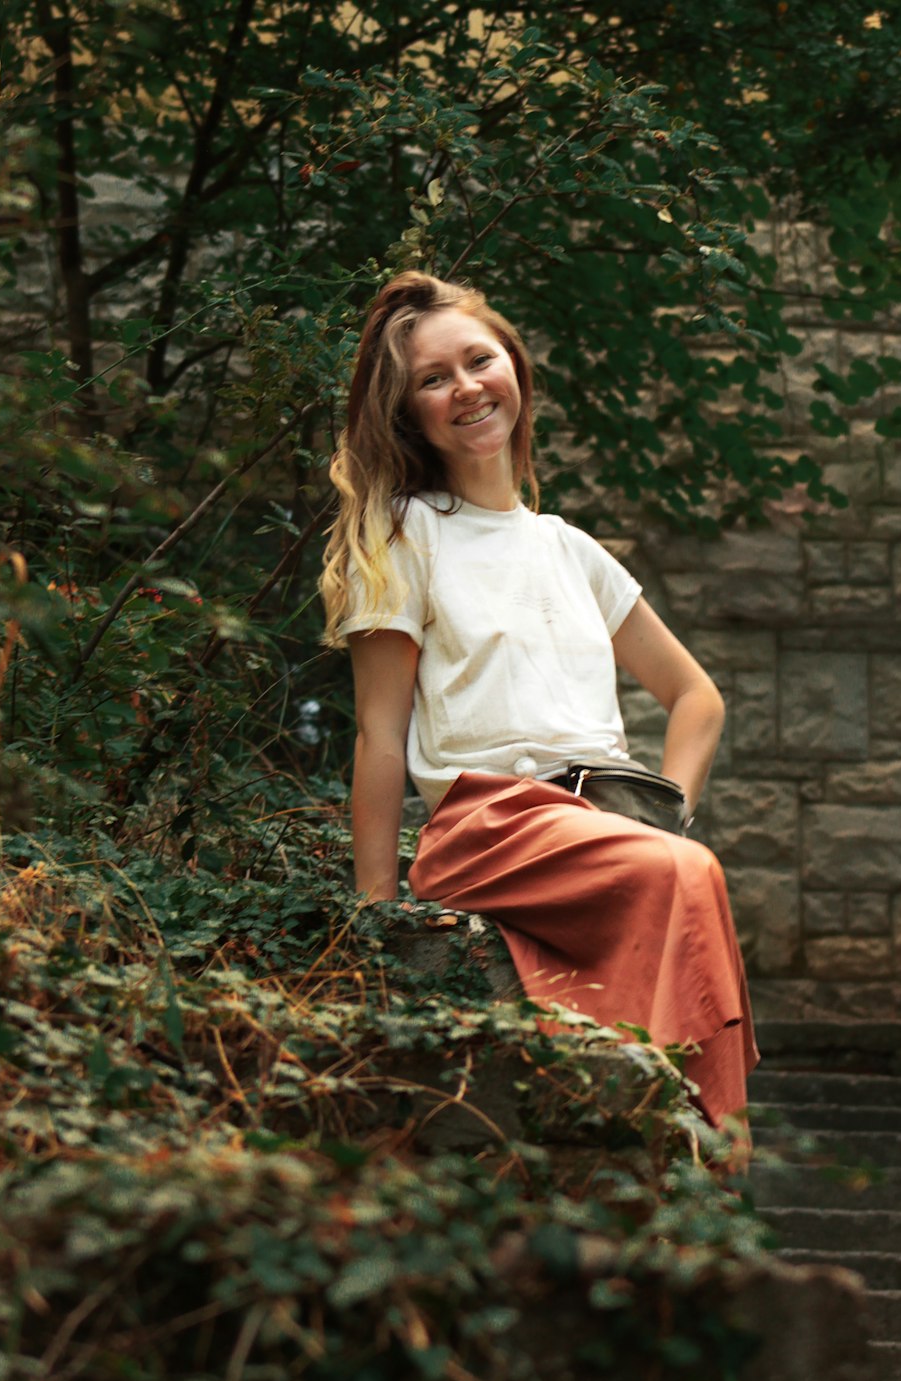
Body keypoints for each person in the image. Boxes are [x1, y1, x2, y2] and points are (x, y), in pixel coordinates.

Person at [321, 270, 758, 1135]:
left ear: (513, 364)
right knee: (693, 873)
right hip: (490, 828)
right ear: (409, 414)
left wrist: (662, 813)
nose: (466, 389)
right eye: (432, 380)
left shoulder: (572, 549)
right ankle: (707, 1134)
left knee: (684, 867)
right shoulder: (403, 534)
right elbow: (380, 731)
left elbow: (695, 697)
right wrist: (375, 904)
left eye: (478, 360)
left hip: (599, 825)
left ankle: (678, 1132)